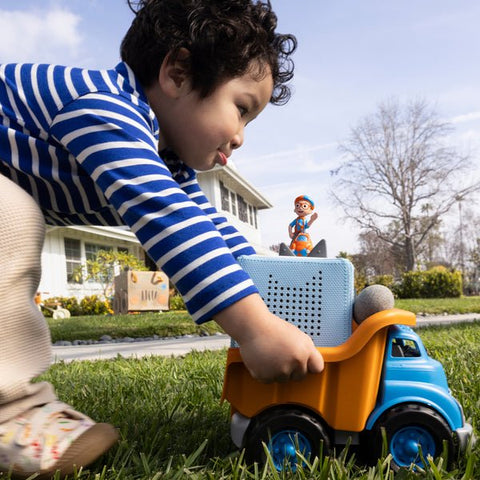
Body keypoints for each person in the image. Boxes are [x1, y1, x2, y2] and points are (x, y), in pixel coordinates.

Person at [0, 0, 324, 476]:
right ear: (177, 72)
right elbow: (165, 217)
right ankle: (11, 417)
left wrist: (297, 303)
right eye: (240, 109)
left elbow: (209, 232)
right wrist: (254, 329)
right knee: (12, 216)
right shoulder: (103, 106)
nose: (240, 137)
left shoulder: (165, 159)